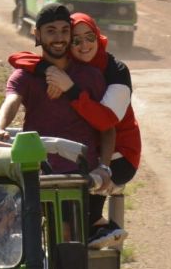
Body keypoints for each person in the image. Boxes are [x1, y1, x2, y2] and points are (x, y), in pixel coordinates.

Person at [8, 12, 141, 246]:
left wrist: (70, 89)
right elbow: (21, 58)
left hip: (119, 153)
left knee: (84, 177)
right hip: (84, 147)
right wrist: (47, 72)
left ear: (99, 37)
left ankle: (96, 226)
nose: (83, 45)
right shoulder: (71, 65)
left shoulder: (115, 70)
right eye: (76, 40)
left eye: (89, 37)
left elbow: (106, 120)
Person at [0, 3, 113, 231]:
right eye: (51, 31)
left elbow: (106, 126)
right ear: (37, 34)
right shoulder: (25, 76)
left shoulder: (90, 76)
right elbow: (12, 100)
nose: (59, 38)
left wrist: (104, 167)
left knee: (69, 244)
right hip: (35, 173)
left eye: (64, 31)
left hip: (78, 177)